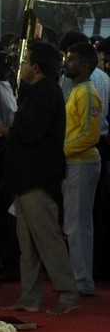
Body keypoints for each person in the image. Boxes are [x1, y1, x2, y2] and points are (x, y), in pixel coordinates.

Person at [0, 42, 81, 315]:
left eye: (25, 61)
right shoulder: (36, 91)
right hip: (25, 178)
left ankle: (68, 294)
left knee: (48, 238)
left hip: (38, 178)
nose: (21, 65)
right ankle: (30, 297)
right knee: (27, 242)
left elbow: (30, 133)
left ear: (36, 67)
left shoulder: (47, 93)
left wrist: (0, 129)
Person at [60, 42, 102, 297]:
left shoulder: (87, 93)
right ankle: (79, 278)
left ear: (85, 66)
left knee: (77, 226)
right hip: (75, 162)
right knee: (74, 225)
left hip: (81, 162)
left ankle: (82, 281)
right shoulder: (78, 91)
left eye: (72, 60)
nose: (67, 63)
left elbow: (90, 135)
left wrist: (60, 151)